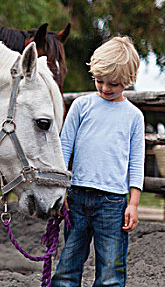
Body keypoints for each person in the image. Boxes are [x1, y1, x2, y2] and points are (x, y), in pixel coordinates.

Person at [52, 36, 144, 287]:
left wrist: (133, 204)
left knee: (112, 272)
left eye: (113, 83)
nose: (104, 88)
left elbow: (136, 163)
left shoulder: (134, 117)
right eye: (99, 80)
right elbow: (64, 148)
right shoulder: (81, 106)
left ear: (128, 80)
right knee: (67, 266)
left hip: (113, 203)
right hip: (77, 197)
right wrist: (61, 192)